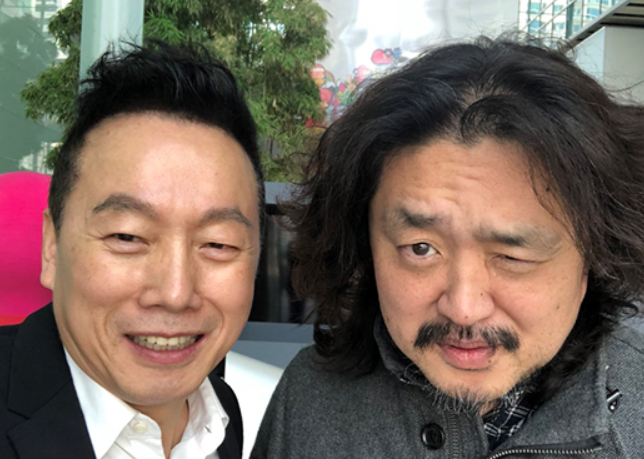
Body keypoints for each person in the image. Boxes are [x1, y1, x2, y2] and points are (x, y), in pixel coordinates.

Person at [251, 36, 644, 458]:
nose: (463, 309)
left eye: (511, 256)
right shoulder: (310, 401)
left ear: (594, 256)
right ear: (367, 246)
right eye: (421, 248)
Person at [0, 41, 264, 459]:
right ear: (52, 246)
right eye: (127, 237)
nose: (175, 293)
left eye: (218, 244)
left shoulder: (221, 410)